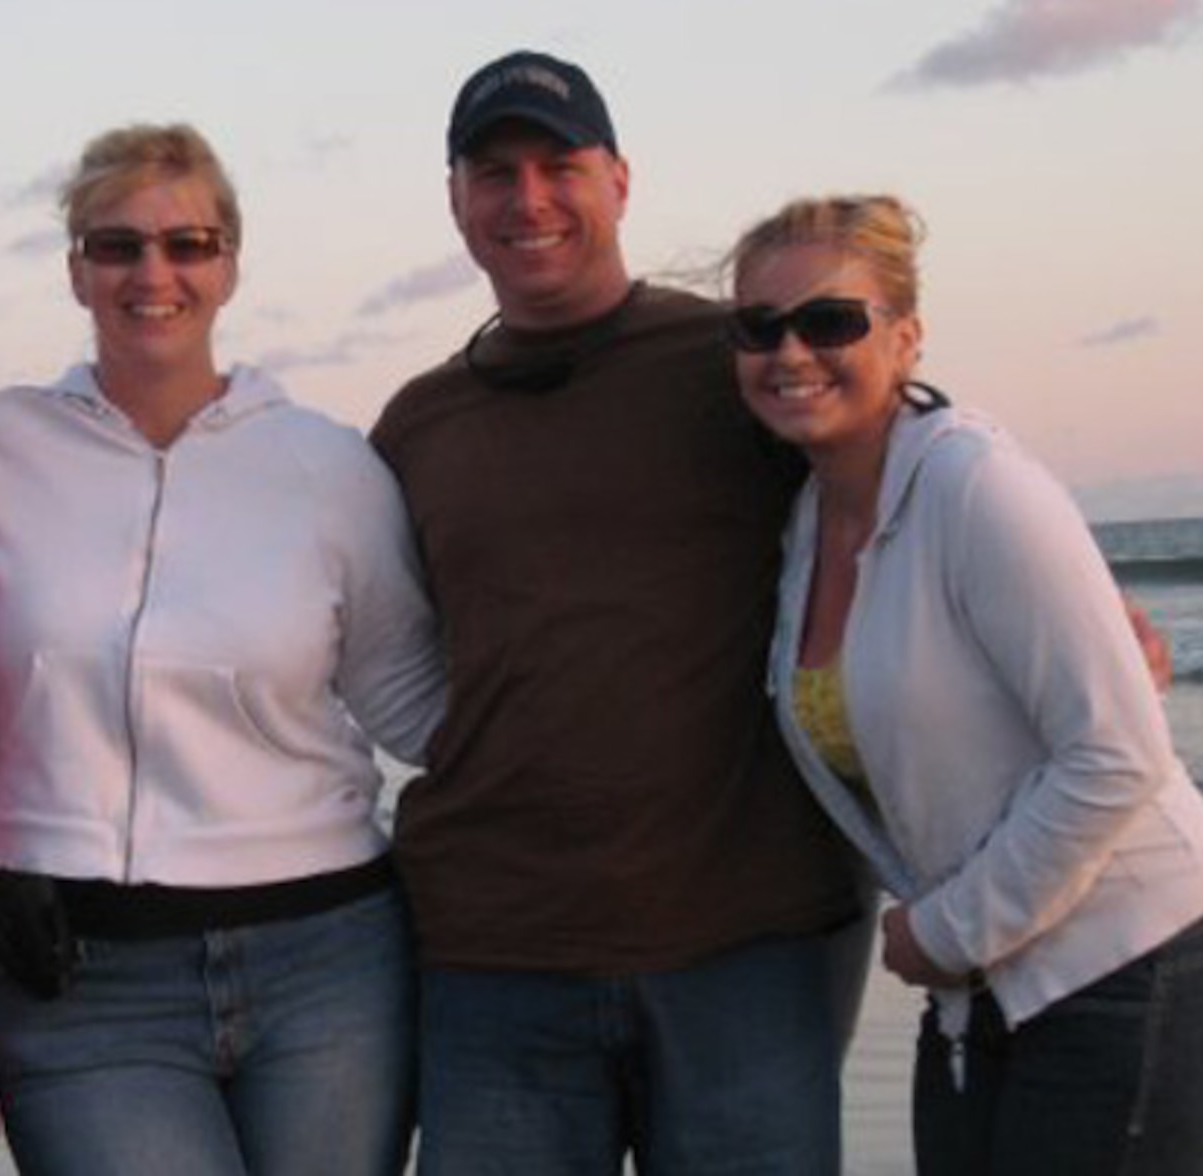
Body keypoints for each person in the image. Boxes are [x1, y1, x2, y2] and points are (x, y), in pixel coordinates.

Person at [370, 51, 868, 1175]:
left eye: (560, 165)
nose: (528, 198)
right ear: (455, 201)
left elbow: (908, 489)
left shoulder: (740, 358)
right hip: (492, 957)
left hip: (749, 942)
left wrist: (1078, 610)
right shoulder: (416, 427)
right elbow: (365, 651)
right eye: (493, 172)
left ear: (620, 180)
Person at [0, 123, 442, 1176]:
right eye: (115, 246)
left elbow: (415, 704)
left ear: (230, 265)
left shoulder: (326, 466)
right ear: (75, 270)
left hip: (329, 961)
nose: (151, 273)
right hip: (77, 976)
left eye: (187, 243)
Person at [724, 193, 1203, 1175]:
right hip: (981, 991)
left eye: (829, 321)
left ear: (905, 336)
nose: (789, 351)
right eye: (758, 327)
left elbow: (1116, 750)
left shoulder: (972, 484)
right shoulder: (806, 519)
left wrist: (945, 930)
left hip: (1130, 962)